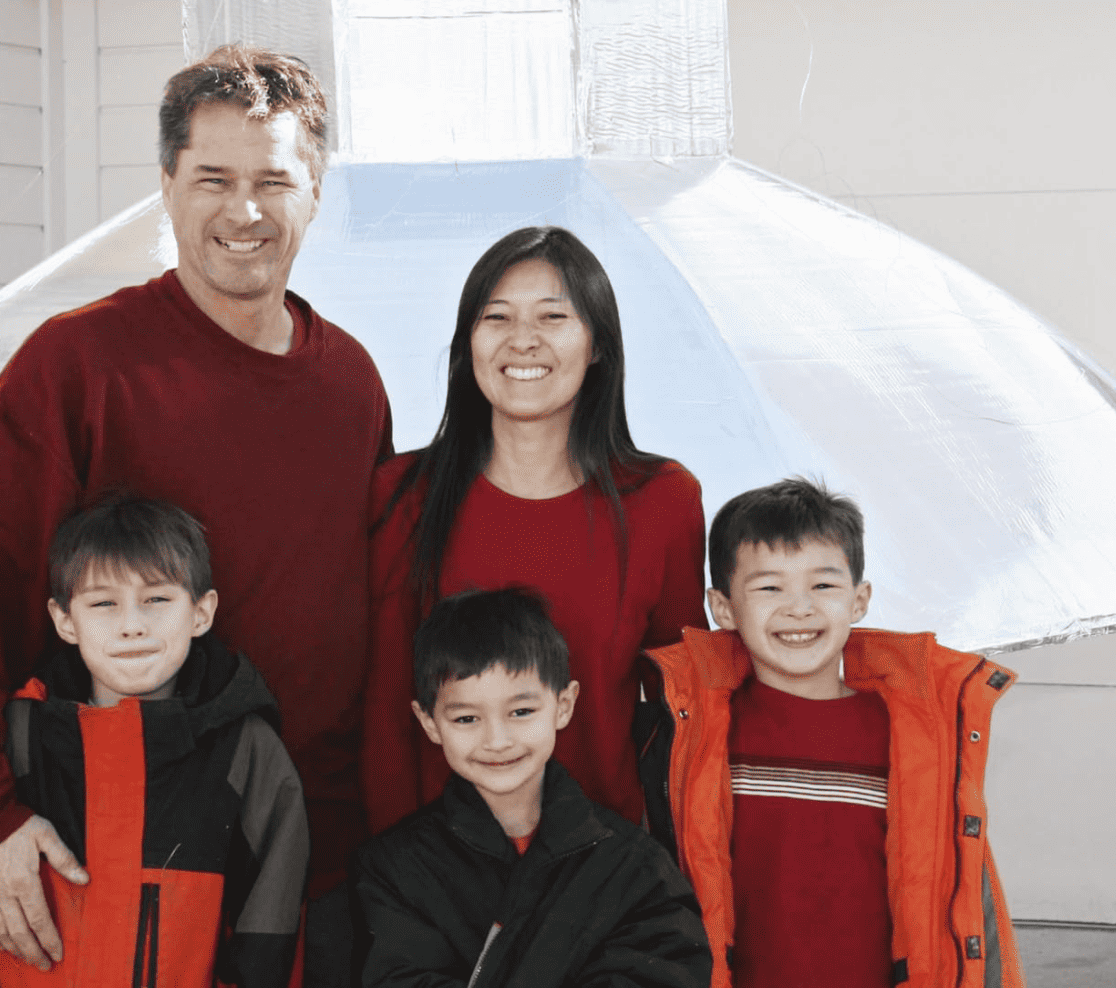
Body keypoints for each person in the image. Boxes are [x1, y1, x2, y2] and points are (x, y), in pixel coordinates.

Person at [0, 44, 392, 973]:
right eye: (212, 178)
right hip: (111, 856)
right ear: (165, 184)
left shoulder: (350, 383)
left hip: (305, 851)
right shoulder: (78, 367)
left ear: (316, 190)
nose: (245, 211)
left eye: (275, 180)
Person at [362, 225, 707, 836]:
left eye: (553, 317)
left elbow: (684, 710)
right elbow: (388, 711)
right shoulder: (403, 494)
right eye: (497, 317)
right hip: (440, 878)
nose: (523, 341)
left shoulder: (662, 502)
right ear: (468, 343)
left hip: (602, 871)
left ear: (597, 344)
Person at [0, 495, 309, 988]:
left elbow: (272, 932)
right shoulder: (8, 744)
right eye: (104, 603)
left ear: (201, 612)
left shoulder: (247, 752)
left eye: (157, 599)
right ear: (65, 620)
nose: (132, 624)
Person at [639, 478, 1025, 988]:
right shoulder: (699, 737)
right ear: (724, 608)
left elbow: (965, 897)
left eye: (822, 585)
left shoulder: (912, 740)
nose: (799, 608)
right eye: (769, 587)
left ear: (859, 600)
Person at [351, 588, 712, 988]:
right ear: (430, 722)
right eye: (467, 719)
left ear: (564, 705)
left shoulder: (636, 868)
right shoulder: (395, 868)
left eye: (521, 712)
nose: (498, 740)